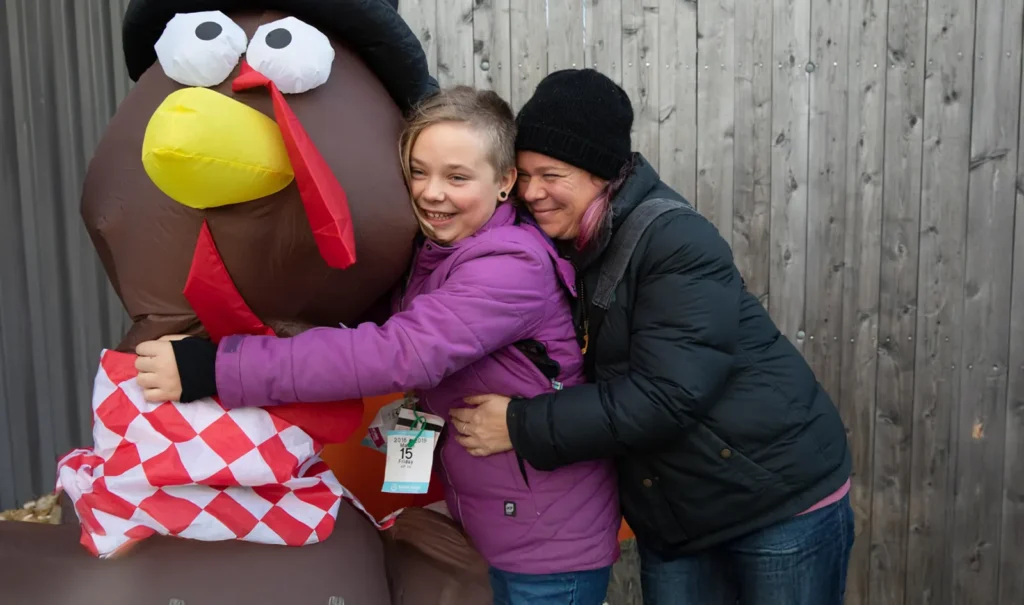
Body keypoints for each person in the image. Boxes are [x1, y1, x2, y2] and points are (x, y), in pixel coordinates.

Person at [131, 85, 620, 605]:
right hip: (505, 520)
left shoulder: (509, 267)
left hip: (547, 547)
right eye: (418, 171)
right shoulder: (441, 252)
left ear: (504, 182)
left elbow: (397, 352)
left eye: (457, 177)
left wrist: (220, 368)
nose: (432, 193)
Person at [450, 69, 854, 605]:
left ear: (602, 174)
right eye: (523, 175)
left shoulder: (673, 239)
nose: (531, 192)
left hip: (774, 503)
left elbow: (669, 394)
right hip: (676, 514)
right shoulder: (562, 243)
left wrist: (520, 424)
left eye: (552, 174)